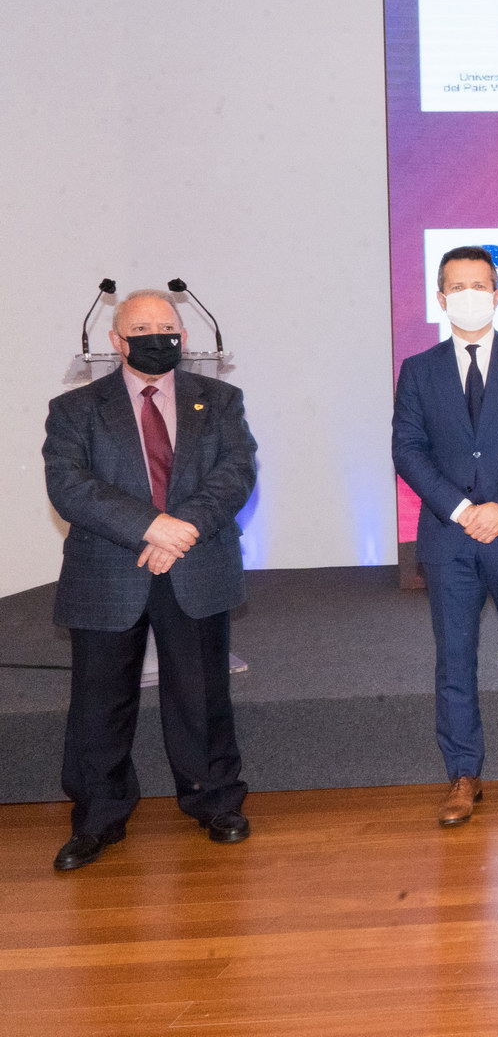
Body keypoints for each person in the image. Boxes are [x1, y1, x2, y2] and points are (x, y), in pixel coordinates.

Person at [42, 290, 258, 871]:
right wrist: (151, 528)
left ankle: (215, 802)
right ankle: (98, 819)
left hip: (197, 562)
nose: (156, 337)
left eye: (167, 327)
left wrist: (180, 531)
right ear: (117, 341)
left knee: (202, 695)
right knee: (99, 702)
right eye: (141, 329)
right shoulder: (74, 409)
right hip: (107, 570)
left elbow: (236, 472)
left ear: (183, 336)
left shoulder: (221, 399)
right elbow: (70, 486)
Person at [392, 246, 498, 825]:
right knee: (454, 661)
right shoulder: (419, 369)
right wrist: (464, 510)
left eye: (480, 285)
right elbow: (407, 449)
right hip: (449, 538)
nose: (470, 295)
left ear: (497, 293)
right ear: (441, 299)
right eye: (458, 287)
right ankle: (463, 775)